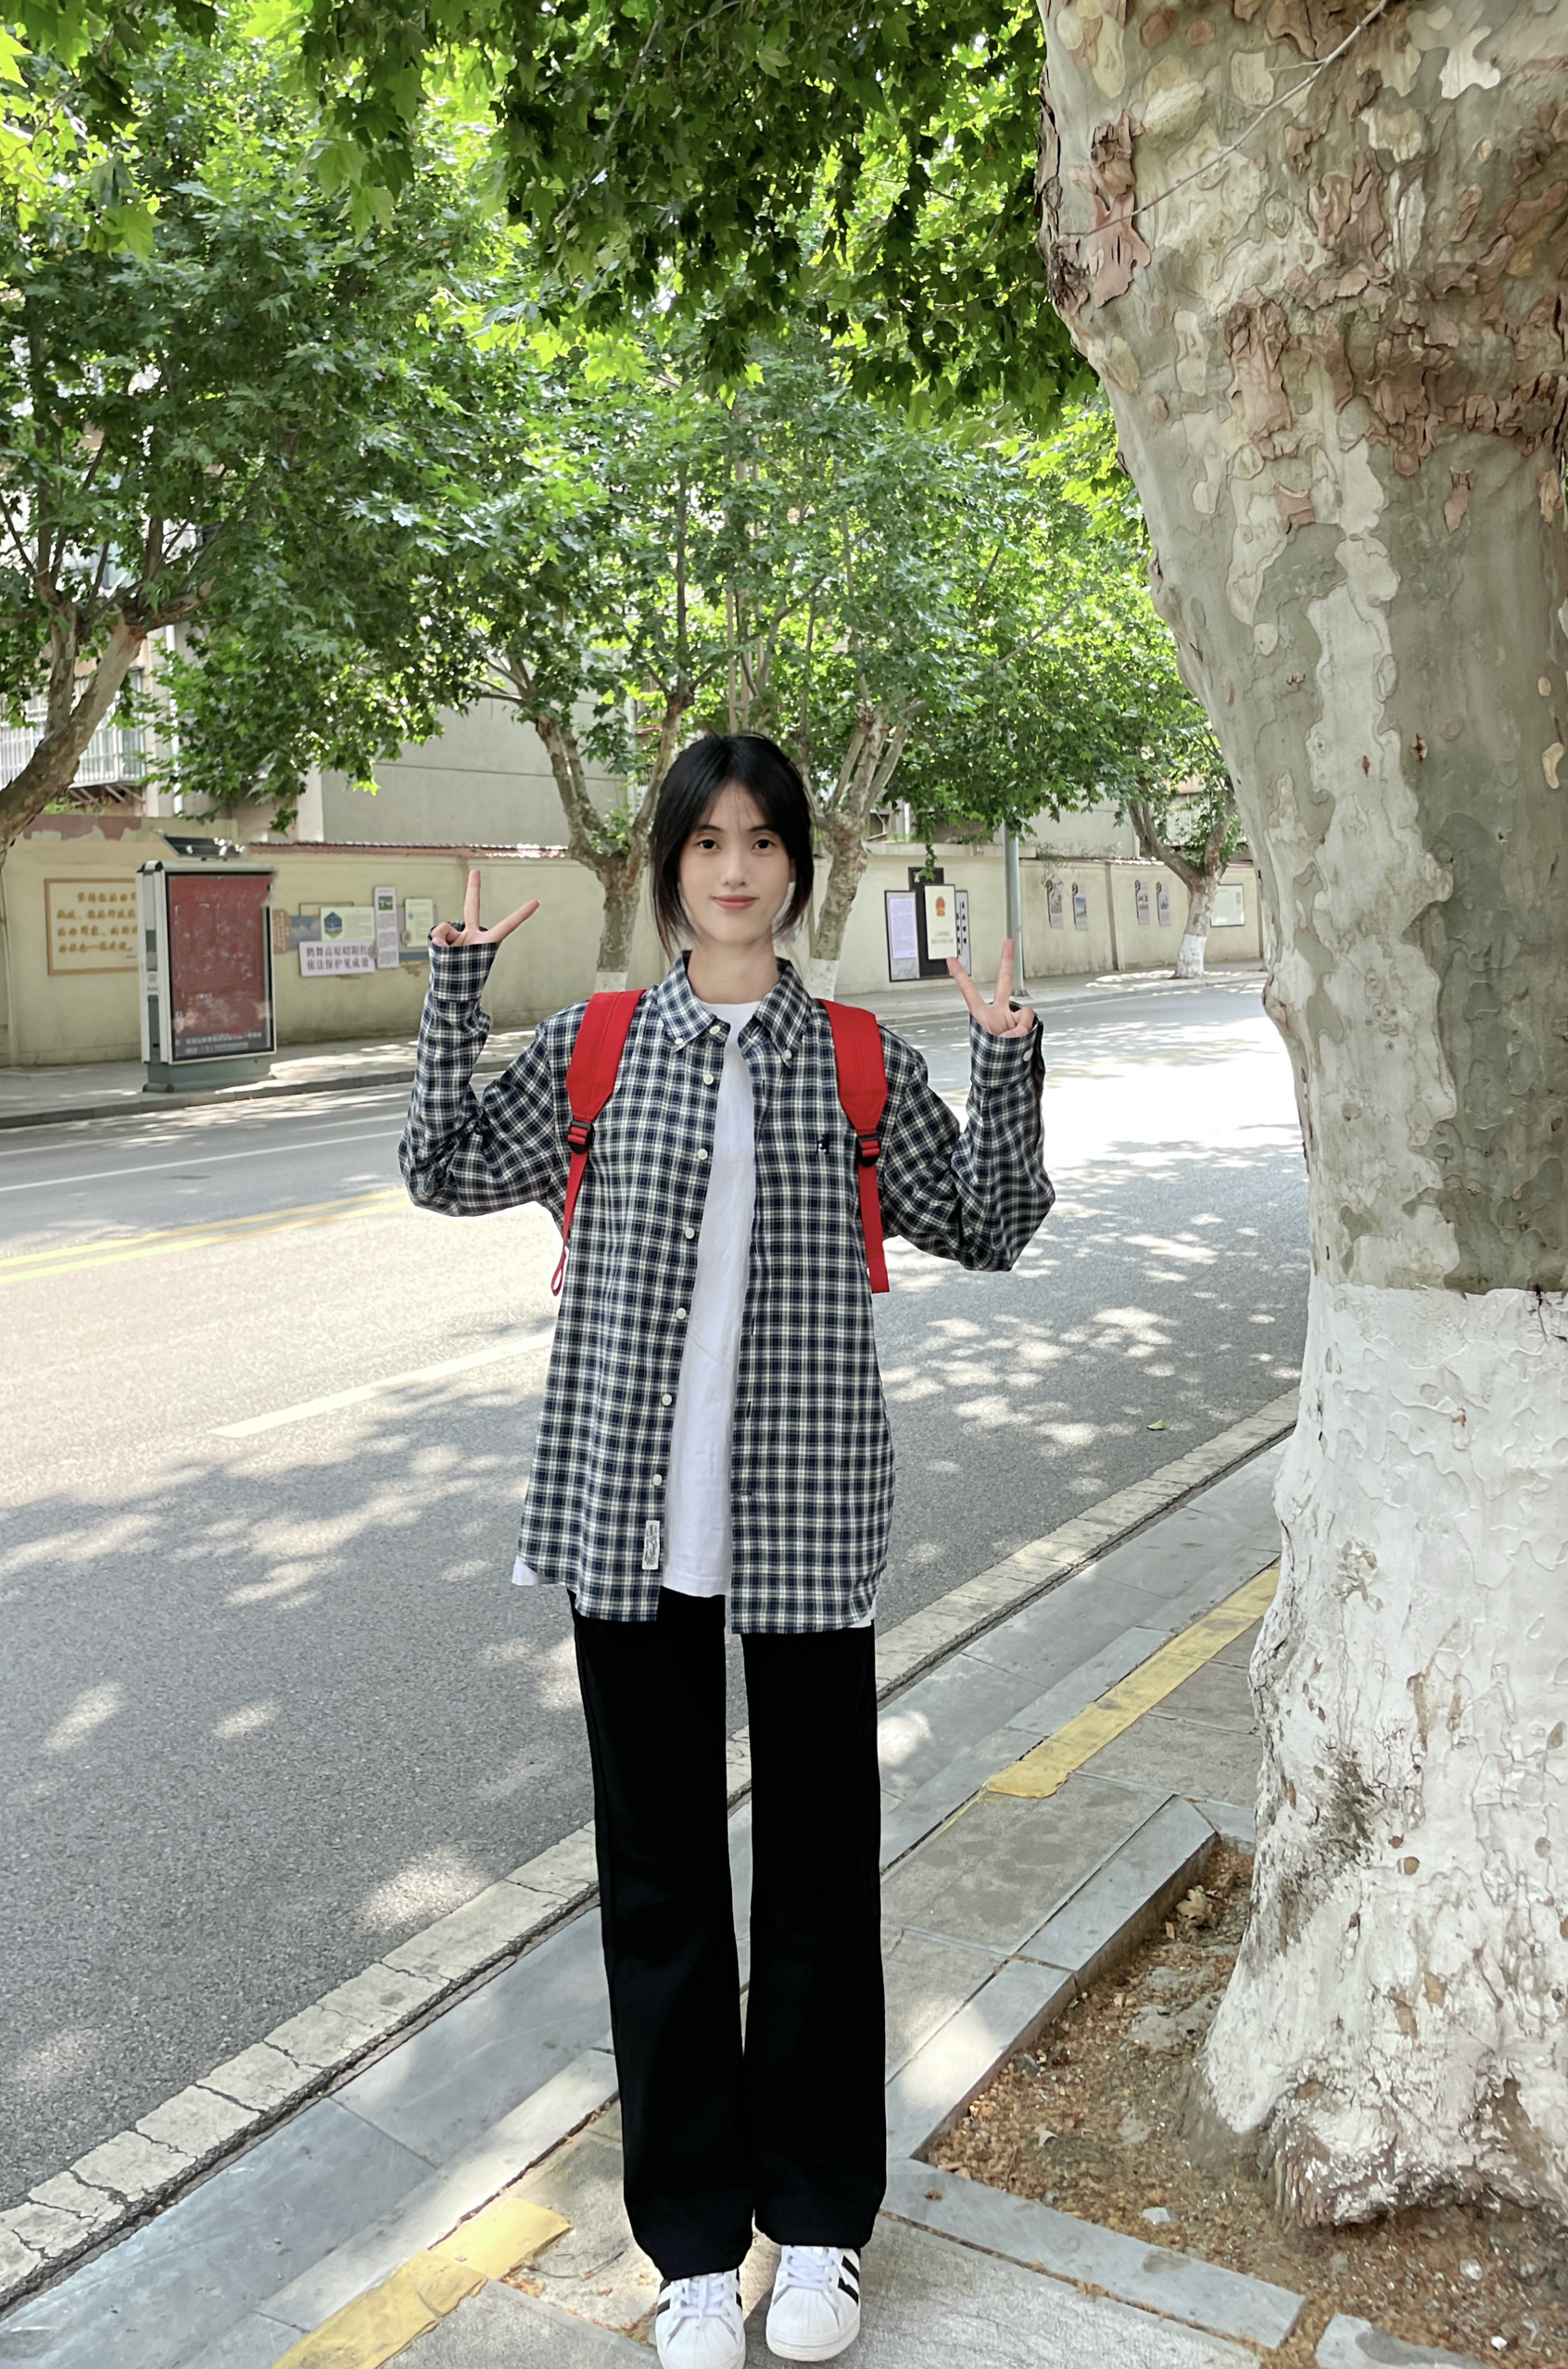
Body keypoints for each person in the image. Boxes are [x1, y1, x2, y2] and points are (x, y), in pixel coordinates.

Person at [399, 733, 1052, 2366]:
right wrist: (455, 992)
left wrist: (1009, 1061)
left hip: (808, 1513)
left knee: (821, 1882)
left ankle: (819, 2225)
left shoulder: (857, 1059)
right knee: (663, 1888)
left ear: (796, 867)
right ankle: (692, 2250)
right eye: (709, 841)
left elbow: (989, 1221)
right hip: (629, 1520)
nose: (737, 868)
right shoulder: (600, 1046)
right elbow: (441, 1166)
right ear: (671, 866)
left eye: (763, 840)